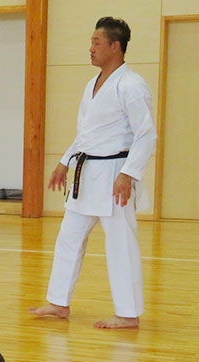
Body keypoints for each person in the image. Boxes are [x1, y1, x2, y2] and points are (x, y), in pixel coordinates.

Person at [30, 17, 156, 329]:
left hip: (115, 174)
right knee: (68, 237)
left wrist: (128, 174)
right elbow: (86, 134)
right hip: (86, 173)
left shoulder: (132, 85)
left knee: (120, 243)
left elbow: (146, 135)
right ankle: (59, 303)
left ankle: (128, 314)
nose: (90, 49)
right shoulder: (93, 84)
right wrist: (64, 162)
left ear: (116, 46)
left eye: (96, 43)